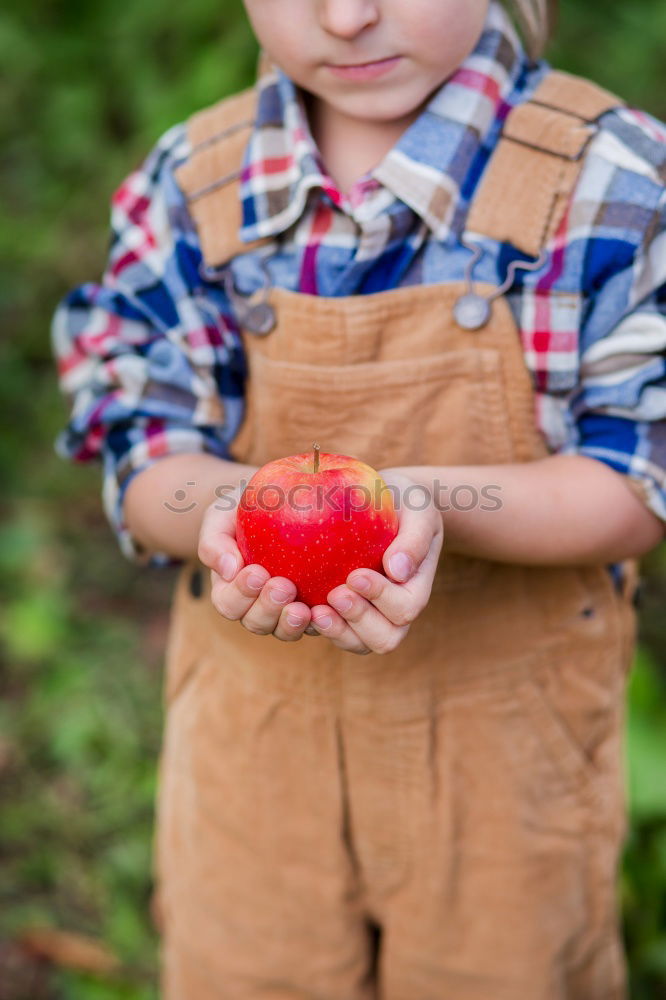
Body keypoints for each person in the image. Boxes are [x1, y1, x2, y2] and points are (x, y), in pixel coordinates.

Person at [50, 0, 666, 996]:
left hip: (507, 771)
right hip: (255, 760)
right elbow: (145, 451)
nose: (346, 16)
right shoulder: (191, 190)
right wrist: (244, 518)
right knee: (248, 969)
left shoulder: (614, 184)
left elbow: (637, 477)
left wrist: (425, 503)